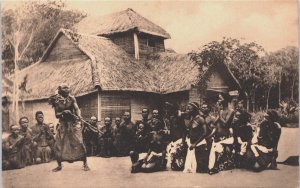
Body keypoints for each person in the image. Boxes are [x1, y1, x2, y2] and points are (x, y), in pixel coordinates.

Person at [48, 84, 89, 171]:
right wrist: (63, 112)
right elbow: (56, 115)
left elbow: (77, 108)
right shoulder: (56, 101)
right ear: (60, 90)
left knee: (80, 142)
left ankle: (85, 163)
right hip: (63, 125)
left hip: (73, 124)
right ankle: (59, 165)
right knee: (58, 145)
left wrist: (79, 115)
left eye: (68, 87)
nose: (67, 89)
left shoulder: (72, 98)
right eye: (65, 88)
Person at [183, 102, 209, 173]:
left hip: (199, 145)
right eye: (187, 108)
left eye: (190, 108)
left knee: (200, 169)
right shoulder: (192, 118)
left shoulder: (200, 119)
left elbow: (205, 133)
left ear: (194, 109)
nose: (188, 110)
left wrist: (195, 143)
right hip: (192, 144)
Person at [164, 102, 187, 171]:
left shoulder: (180, 118)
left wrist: (183, 140)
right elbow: (172, 130)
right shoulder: (171, 118)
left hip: (179, 138)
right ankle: (174, 164)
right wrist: (170, 140)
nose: (168, 110)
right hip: (173, 139)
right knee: (172, 152)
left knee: (178, 152)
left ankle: (179, 165)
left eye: (170, 108)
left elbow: (184, 130)